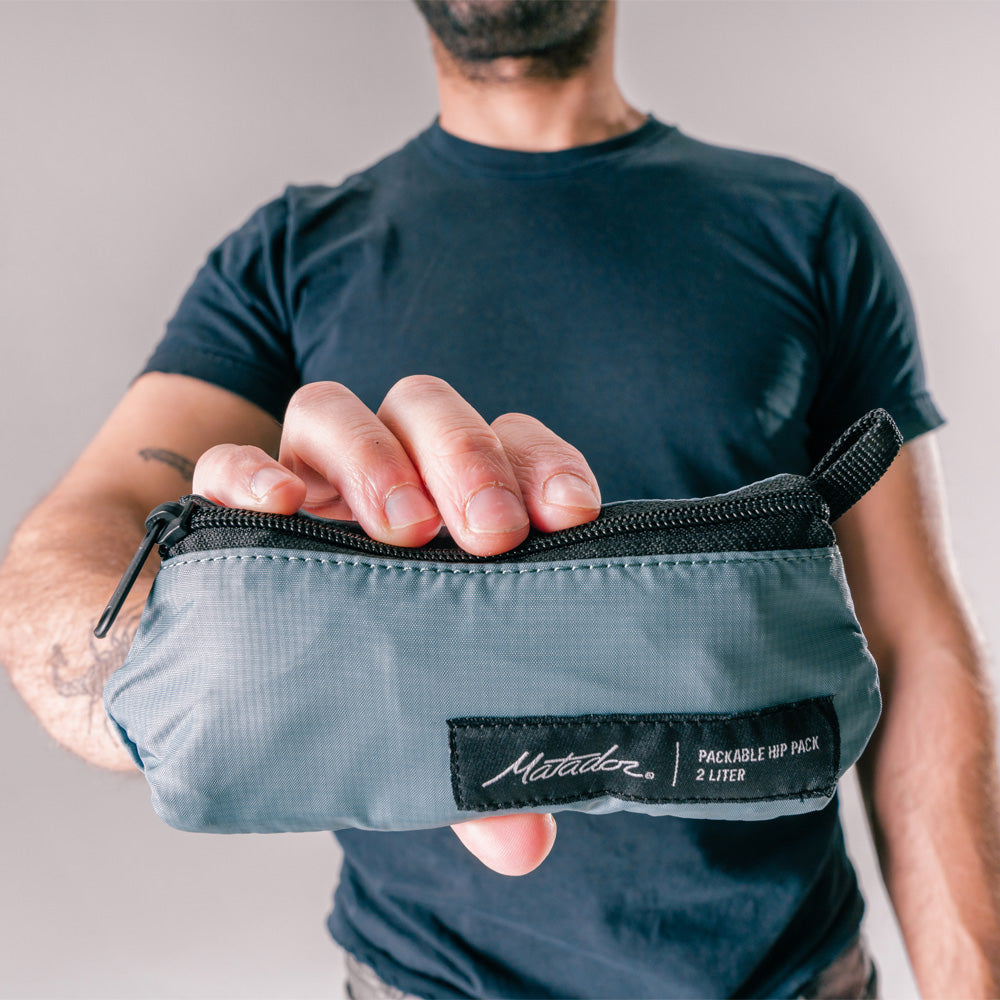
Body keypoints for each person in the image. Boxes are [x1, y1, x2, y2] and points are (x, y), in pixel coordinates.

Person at [1, 1, 998, 996]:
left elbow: (913, 646)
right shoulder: (287, 257)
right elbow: (82, 538)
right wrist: (208, 671)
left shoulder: (809, 227)